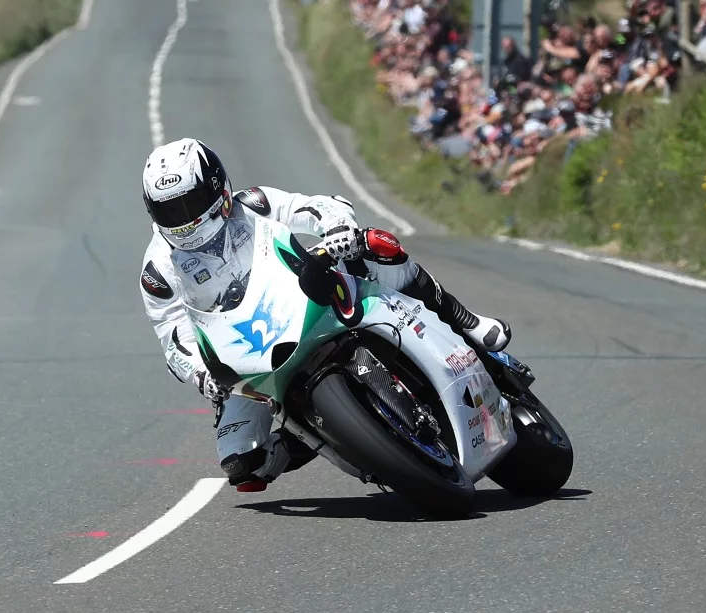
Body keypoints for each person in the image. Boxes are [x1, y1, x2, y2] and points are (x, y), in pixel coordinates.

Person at [137, 138, 511, 491]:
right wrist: (201, 375)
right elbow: (172, 335)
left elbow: (312, 207)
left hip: (308, 296)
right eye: (169, 210)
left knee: (372, 254)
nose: (182, 219)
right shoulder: (159, 270)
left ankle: (466, 321)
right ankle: (324, 436)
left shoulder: (251, 204)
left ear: (217, 188)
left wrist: (336, 230)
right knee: (242, 464)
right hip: (248, 351)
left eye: (189, 204)